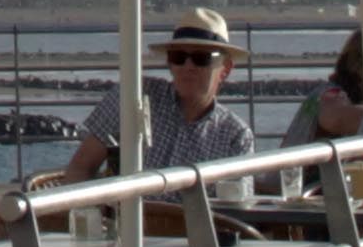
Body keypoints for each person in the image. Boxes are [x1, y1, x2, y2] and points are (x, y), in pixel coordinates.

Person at [61, 12, 256, 178]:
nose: (188, 66)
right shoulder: (134, 95)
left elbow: (238, 202)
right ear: (170, 63)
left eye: (201, 58)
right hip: (129, 213)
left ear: (225, 69)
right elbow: (81, 168)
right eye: (178, 57)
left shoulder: (235, 135)